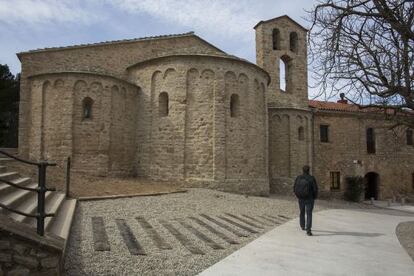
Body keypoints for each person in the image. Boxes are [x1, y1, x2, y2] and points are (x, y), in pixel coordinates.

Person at [293, 165, 318, 236]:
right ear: (309, 170)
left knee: (302, 212)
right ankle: (308, 230)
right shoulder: (311, 178)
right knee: (309, 214)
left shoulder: (298, 177)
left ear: (302, 170)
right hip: (309, 198)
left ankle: (302, 225)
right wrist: (314, 197)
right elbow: (315, 189)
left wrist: (297, 195)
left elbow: (294, 187)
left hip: (301, 198)